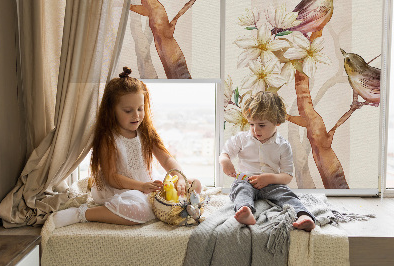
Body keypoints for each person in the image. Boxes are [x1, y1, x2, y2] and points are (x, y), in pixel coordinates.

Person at [53, 67, 201, 228]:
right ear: (112, 110)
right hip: (120, 189)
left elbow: (166, 159)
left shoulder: (145, 132)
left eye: (140, 108)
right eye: (128, 111)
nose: (136, 115)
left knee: (195, 184)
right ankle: (82, 214)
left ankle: (173, 207)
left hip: (146, 184)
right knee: (140, 210)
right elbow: (112, 178)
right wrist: (142, 186)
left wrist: (179, 176)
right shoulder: (108, 138)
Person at [219, 91, 315, 231]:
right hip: (246, 180)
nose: (255, 129)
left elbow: (287, 176)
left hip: (271, 183)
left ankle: (303, 216)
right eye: (251, 124)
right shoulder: (242, 139)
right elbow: (224, 153)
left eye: (261, 125)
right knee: (241, 190)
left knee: (286, 195)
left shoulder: (283, 145)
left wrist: (269, 178)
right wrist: (225, 161)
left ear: (277, 122)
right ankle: (245, 211)